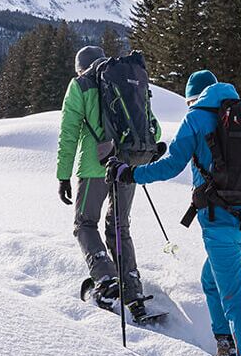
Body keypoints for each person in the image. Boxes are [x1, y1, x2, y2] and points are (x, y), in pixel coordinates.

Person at [106, 69, 241, 356]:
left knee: (233, 295)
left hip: (220, 223)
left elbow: (171, 166)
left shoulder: (195, 119)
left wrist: (130, 174)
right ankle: (224, 341)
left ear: (192, 99)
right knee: (210, 280)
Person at [56, 45, 163, 319]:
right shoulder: (126, 79)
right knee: (119, 225)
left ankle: (105, 282)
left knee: (84, 224)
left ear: (81, 67)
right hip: (127, 165)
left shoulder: (80, 85)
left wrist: (63, 175)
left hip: (94, 168)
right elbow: (154, 127)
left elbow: (69, 133)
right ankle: (134, 292)